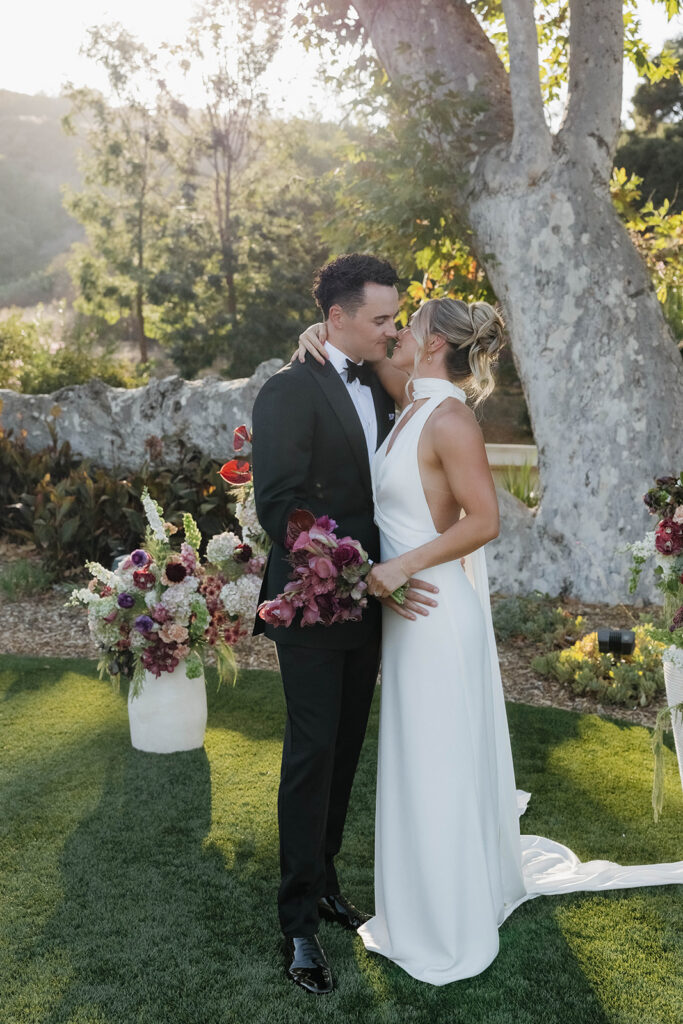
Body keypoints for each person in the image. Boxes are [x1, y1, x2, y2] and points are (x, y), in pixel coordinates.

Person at [297, 296, 683, 985]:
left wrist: (396, 567)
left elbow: (483, 522)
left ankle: (448, 927)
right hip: (408, 617)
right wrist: (319, 335)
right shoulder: (413, 399)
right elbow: (358, 359)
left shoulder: (449, 419)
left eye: (410, 324)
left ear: (436, 342)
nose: (398, 334)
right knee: (418, 760)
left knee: (436, 762)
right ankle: (419, 903)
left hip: (437, 616)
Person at [250, 253, 439, 995]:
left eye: (395, 316)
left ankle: (325, 880)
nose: (391, 328)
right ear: (336, 318)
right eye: (380, 319)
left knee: (347, 750)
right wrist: (358, 570)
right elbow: (281, 507)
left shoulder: (383, 384)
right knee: (311, 756)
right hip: (314, 599)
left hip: (370, 601)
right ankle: (297, 922)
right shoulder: (288, 392)